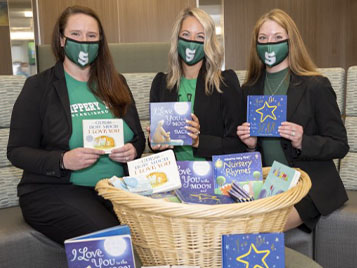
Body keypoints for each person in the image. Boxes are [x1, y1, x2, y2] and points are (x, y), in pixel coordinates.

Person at [7, 5, 145, 244]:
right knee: (113, 240)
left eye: (92, 36)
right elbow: (16, 151)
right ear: (61, 40)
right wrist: (63, 160)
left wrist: (133, 150)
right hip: (55, 191)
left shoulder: (116, 83)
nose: (84, 42)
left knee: (158, 227)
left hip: (115, 189)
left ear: (100, 41)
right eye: (76, 35)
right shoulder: (38, 87)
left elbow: (138, 137)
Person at [237, 9, 349, 232]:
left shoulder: (316, 86)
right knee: (236, 222)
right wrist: (250, 146)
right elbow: (251, 151)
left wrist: (302, 141)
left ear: (291, 41)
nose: (270, 44)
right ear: (256, 44)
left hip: (308, 184)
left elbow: (340, 144)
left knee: (262, 228)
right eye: (263, 38)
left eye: (278, 38)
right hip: (269, 183)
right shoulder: (249, 89)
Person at [149, 7, 245, 160]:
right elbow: (158, 145)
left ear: (209, 43)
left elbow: (238, 145)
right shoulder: (161, 84)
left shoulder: (225, 83)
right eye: (186, 34)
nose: (191, 42)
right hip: (173, 178)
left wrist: (199, 141)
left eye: (200, 37)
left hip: (213, 177)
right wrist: (155, 142)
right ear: (177, 39)